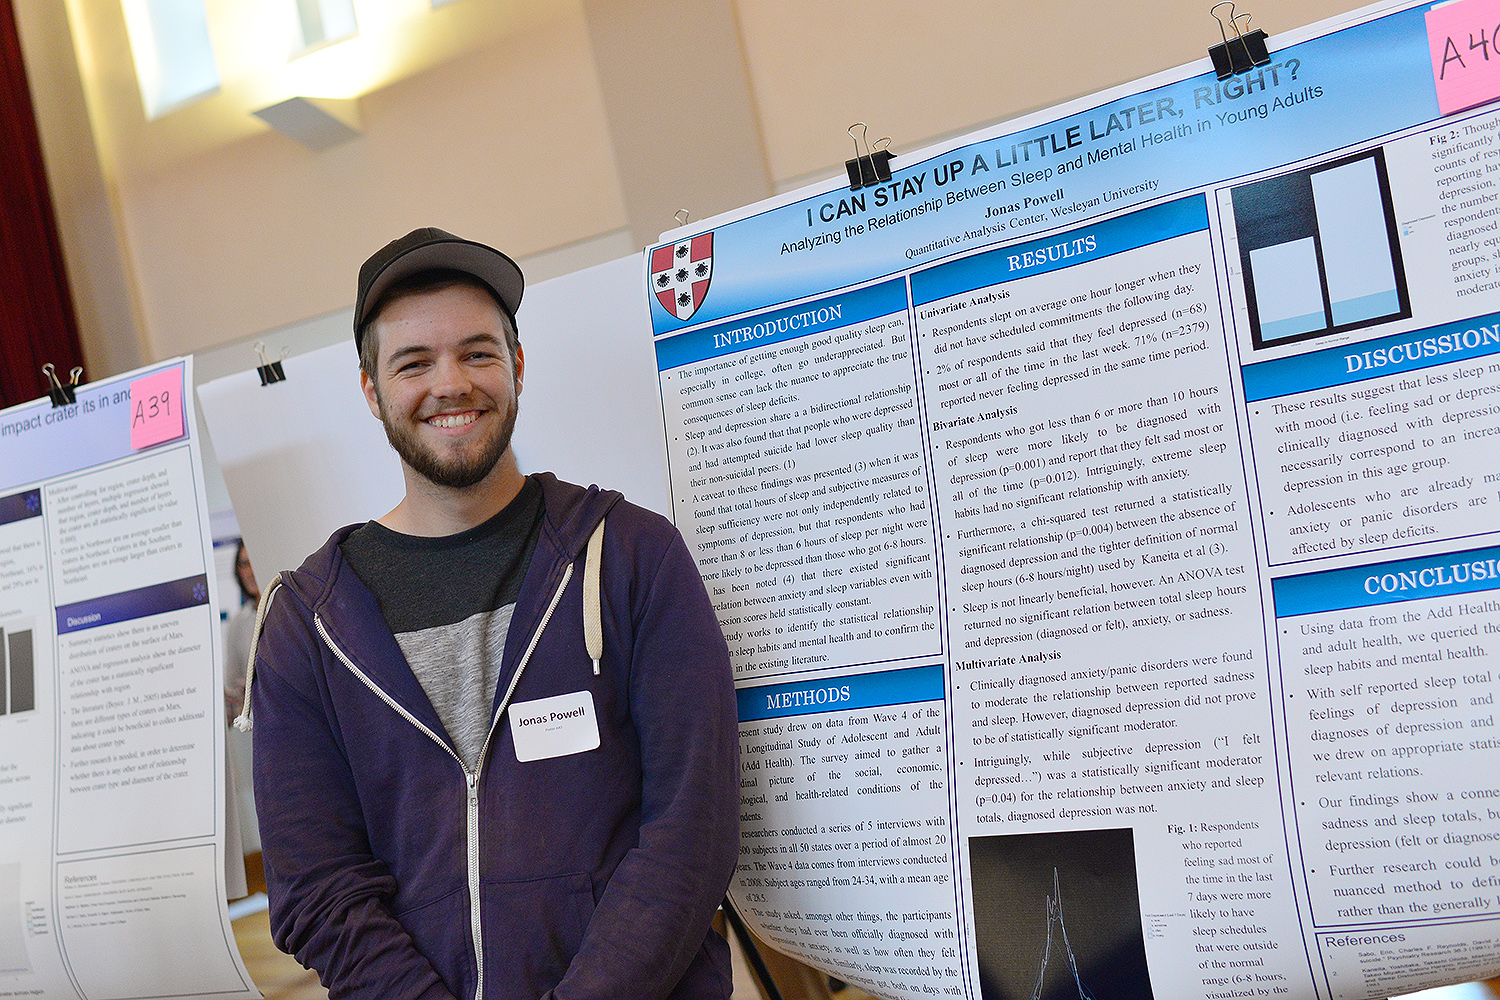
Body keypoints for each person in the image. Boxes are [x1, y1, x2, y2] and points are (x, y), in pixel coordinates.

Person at [243, 228, 739, 1000]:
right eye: (414, 362)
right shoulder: (308, 623)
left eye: (477, 352)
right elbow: (318, 889)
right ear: (372, 390)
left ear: (516, 366)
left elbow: (691, 830)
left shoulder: (633, 555)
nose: (452, 383)